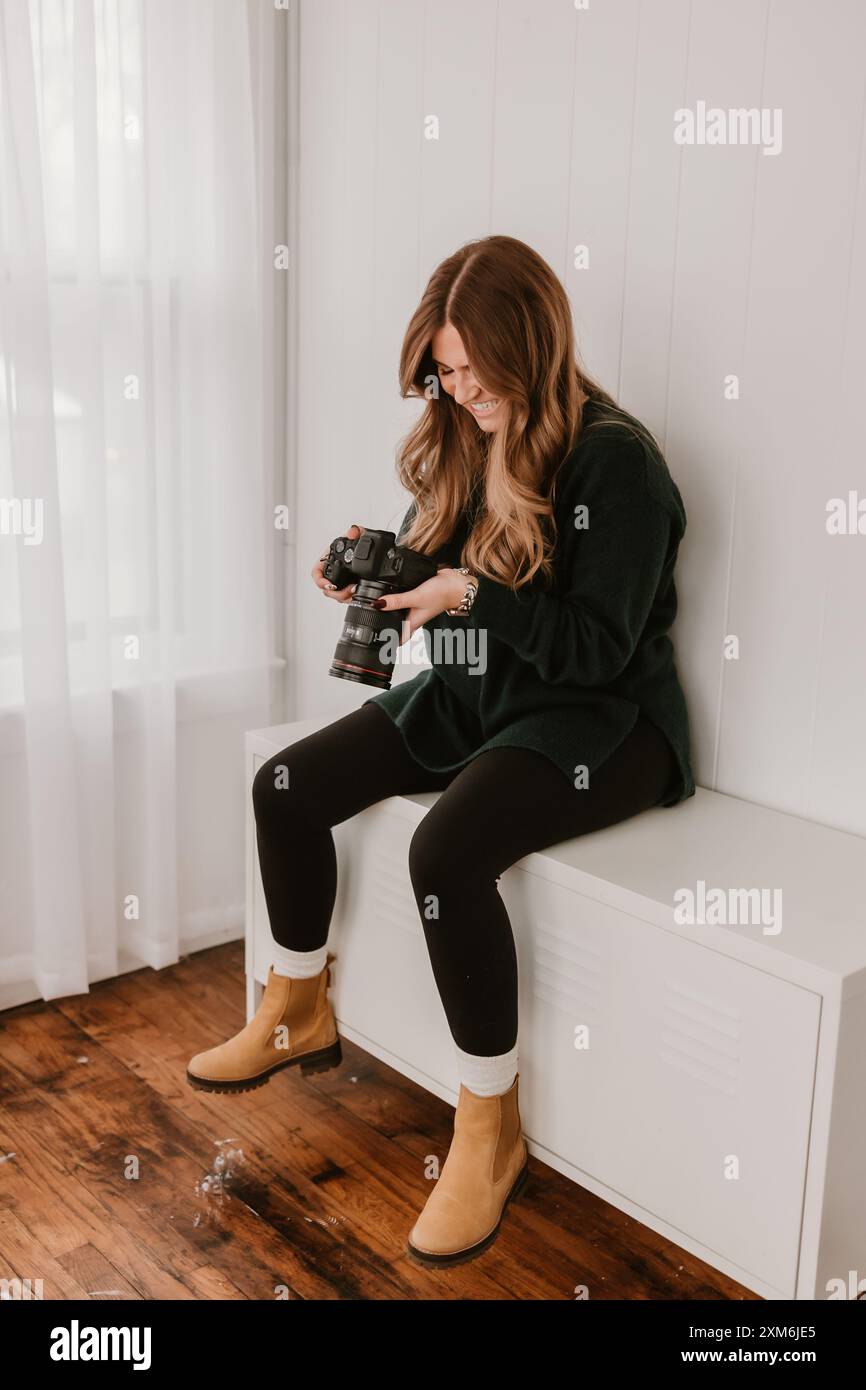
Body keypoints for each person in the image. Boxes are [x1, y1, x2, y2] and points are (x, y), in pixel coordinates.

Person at [187, 234, 695, 1268]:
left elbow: (594, 647)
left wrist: (466, 595)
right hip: (482, 687)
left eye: (473, 370)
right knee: (283, 786)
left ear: (531, 345)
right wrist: (378, 563)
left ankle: (485, 1125)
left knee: (445, 855)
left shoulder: (617, 463)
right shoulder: (471, 430)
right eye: (444, 373)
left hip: (600, 722)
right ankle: (295, 1005)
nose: (458, 392)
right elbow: (461, 564)